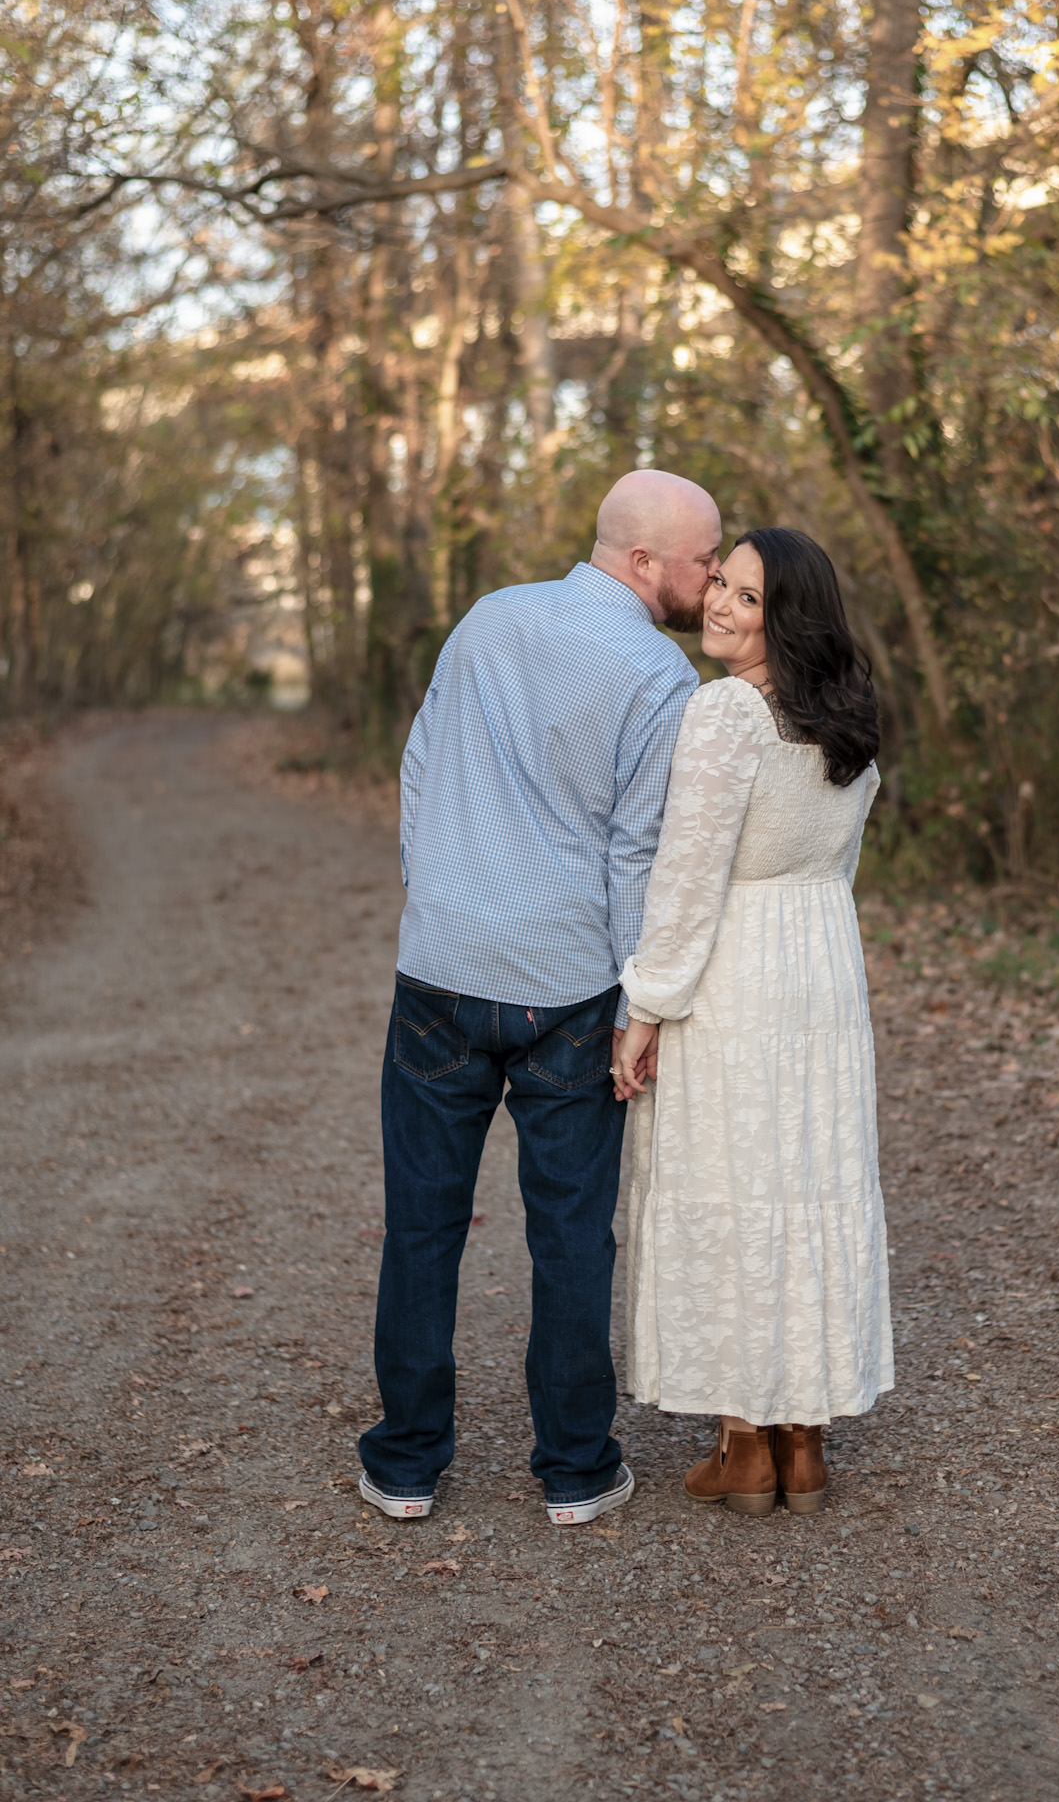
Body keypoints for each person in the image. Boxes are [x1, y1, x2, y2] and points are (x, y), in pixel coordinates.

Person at [358, 470, 722, 1526]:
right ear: (645, 560)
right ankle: (573, 1468)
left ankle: (405, 1463)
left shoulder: (489, 615)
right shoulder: (659, 673)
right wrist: (633, 999)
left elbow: (419, 767)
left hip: (438, 963)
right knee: (570, 1232)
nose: (712, 574)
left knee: (421, 1223)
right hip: (567, 983)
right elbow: (634, 849)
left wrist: (434, 895)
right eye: (703, 557)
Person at [614, 527, 891, 1515]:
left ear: (787, 614)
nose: (720, 606)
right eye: (719, 584)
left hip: (736, 967)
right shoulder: (850, 718)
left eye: (744, 594)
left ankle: (744, 1444)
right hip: (821, 959)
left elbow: (686, 876)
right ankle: (803, 1442)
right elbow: (838, 861)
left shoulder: (727, 712)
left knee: (732, 1178)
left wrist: (646, 1004)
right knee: (809, 1178)